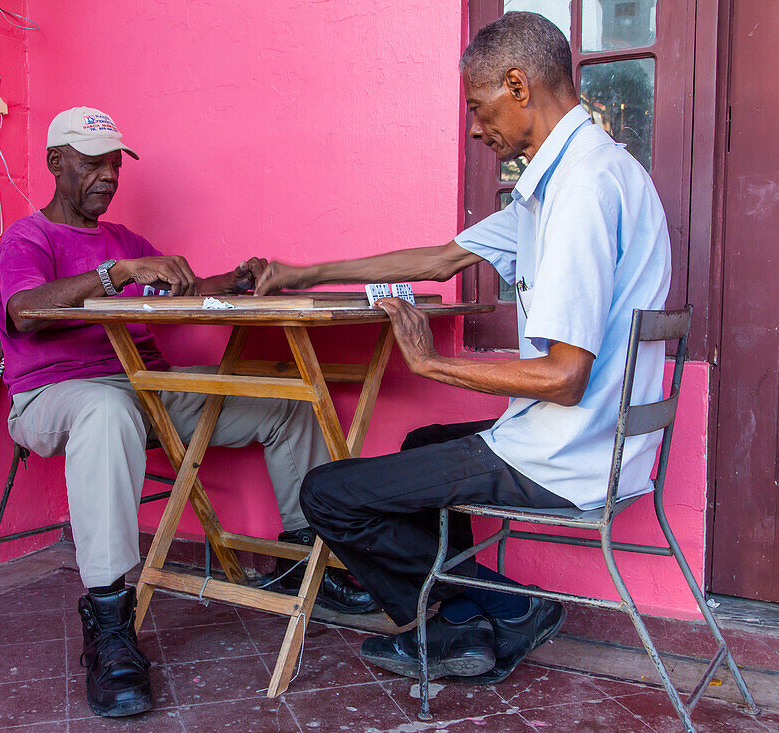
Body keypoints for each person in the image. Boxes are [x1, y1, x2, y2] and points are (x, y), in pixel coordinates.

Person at [254, 11, 671, 686]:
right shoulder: (569, 178)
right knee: (424, 443)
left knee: (327, 493)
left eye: (479, 109)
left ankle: (506, 604)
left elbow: (566, 377)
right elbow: (443, 258)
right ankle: (470, 621)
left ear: (517, 85)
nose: (476, 128)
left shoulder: (583, 191)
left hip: (570, 455)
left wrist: (429, 361)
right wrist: (304, 273)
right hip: (595, 440)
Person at [0, 106, 374, 718]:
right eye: (93, 164)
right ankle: (110, 623)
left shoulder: (125, 242)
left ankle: (310, 562)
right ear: (55, 163)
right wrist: (114, 274)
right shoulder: (29, 238)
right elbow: (24, 311)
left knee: (285, 400)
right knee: (104, 413)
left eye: (115, 166)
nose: (109, 177)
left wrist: (238, 279)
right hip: (53, 397)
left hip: (144, 387)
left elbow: (184, 291)